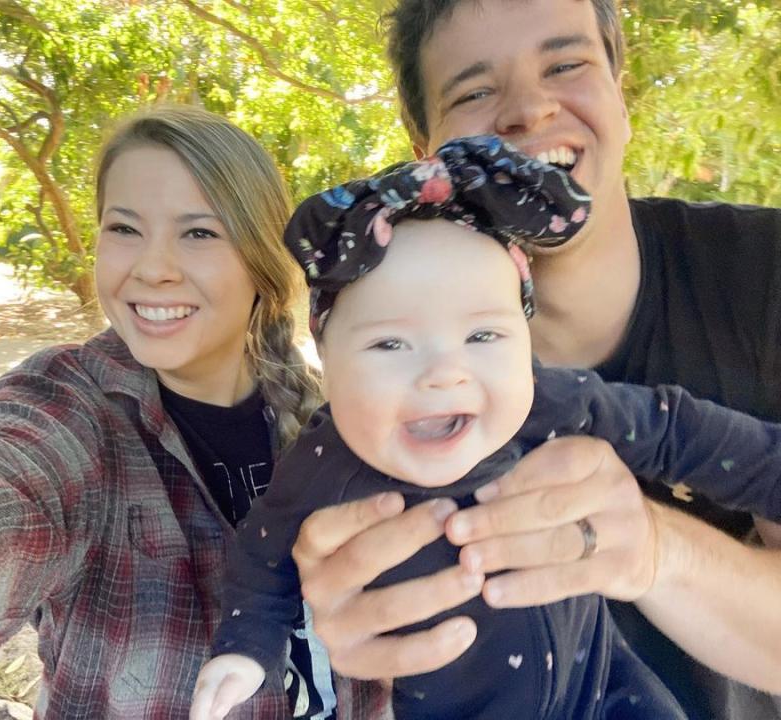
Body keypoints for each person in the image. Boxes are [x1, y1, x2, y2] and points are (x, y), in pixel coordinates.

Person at [290, 1, 781, 718]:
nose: (526, 109)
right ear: (423, 147)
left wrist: (652, 549)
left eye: (566, 64)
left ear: (621, 90)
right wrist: (350, 630)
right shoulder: (388, 372)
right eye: (473, 90)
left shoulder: (761, 276)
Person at [0, 105, 388, 719]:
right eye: (123, 229)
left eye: (199, 232)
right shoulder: (71, 409)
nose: (151, 269)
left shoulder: (330, 421)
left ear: (259, 258)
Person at [189, 137, 781, 720]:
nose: (445, 374)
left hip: (606, 686)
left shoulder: (549, 402)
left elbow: (676, 431)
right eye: (390, 343)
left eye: (482, 337)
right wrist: (245, 649)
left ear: (525, 344)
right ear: (329, 362)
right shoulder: (324, 460)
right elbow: (263, 555)